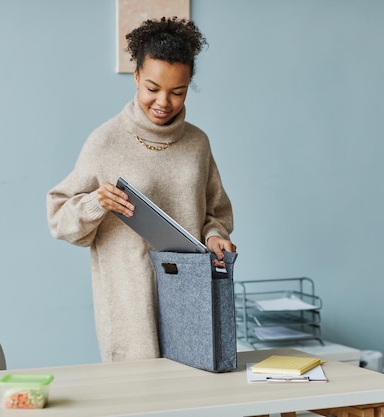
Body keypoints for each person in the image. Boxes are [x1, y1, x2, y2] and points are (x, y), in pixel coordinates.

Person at [46, 17, 236, 362]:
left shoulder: (197, 143)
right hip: (129, 307)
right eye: (152, 88)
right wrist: (95, 202)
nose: (164, 101)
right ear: (136, 77)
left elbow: (214, 214)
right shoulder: (105, 141)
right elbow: (59, 218)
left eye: (177, 92)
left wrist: (214, 236)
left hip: (190, 298)